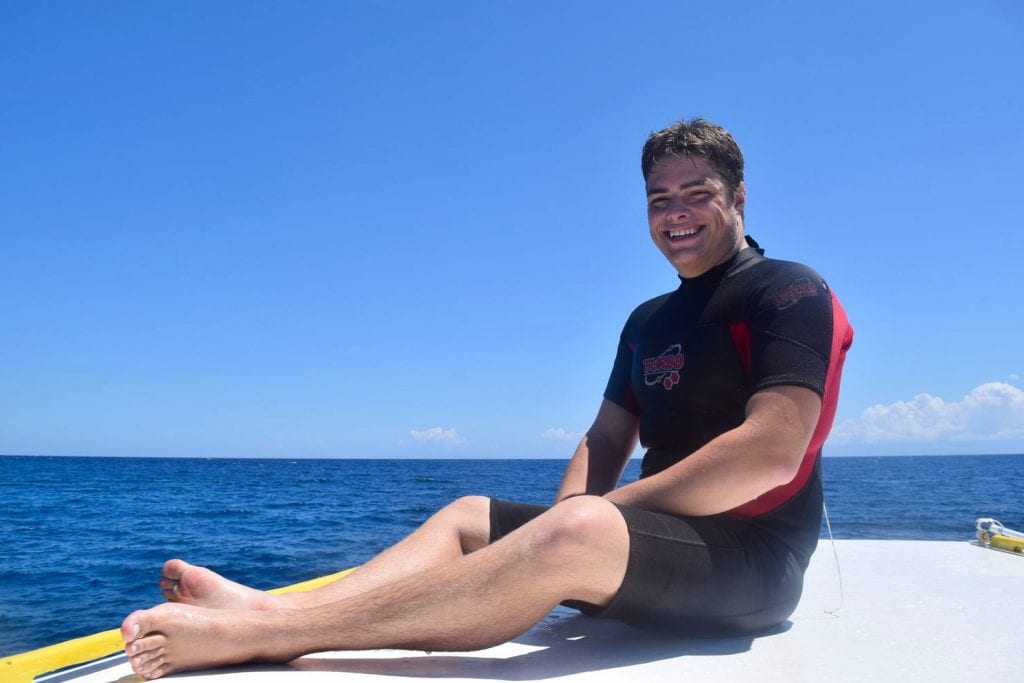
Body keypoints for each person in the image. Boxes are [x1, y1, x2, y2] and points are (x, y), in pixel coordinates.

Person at [121, 118, 853, 680]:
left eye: (698, 194)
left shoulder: (790, 291)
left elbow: (770, 450)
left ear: (739, 197)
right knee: (469, 514)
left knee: (577, 530)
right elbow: (605, 438)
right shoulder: (647, 321)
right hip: (653, 552)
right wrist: (575, 506)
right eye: (660, 199)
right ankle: (279, 607)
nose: (677, 214)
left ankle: (266, 634)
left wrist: (594, 517)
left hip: (752, 567)